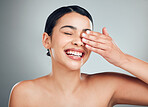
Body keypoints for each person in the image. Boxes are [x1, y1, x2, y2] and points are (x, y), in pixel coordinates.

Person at [9, 5, 148, 107]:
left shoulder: (108, 86)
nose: (78, 41)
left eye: (86, 35)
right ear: (47, 40)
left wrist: (122, 59)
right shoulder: (24, 93)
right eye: (68, 33)